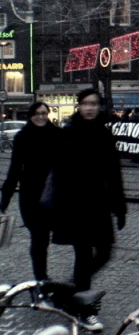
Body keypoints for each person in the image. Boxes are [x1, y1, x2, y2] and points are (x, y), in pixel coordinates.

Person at [51, 89, 126, 330]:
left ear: (99, 106)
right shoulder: (68, 133)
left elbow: (114, 173)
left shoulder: (105, 134)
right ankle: (84, 309)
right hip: (75, 206)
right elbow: (58, 173)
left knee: (104, 251)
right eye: (85, 104)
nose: (89, 108)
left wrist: (120, 206)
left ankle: (69, 292)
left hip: (99, 204)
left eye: (93, 104)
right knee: (83, 256)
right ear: (79, 106)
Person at [0, 102, 60, 281]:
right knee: (39, 237)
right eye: (36, 114)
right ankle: (41, 277)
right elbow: (15, 170)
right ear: (30, 116)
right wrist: (5, 200)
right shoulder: (22, 137)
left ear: (48, 114)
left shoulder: (57, 135)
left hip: (54, 193)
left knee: (56, 235)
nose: (40, 117)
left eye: (43, 113)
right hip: (31, 196)